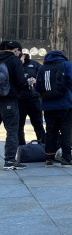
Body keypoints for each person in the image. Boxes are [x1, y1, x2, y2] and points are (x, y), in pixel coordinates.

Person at [35, 50, 72, 167]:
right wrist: (71, 91)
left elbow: (38, 86)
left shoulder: (43, 67)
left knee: (50, 131)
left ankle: (49, 157)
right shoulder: (66, 64)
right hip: (65, 103)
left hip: (48, 105)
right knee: (66, 131)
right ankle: (66, 158)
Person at [0, 40, 28, 170]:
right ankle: (10, 161)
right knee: (11, 131)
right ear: (15, 50)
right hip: (9, 100)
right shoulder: (14, 61)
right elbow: (21, 82)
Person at [18, 52, 46, 145]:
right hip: (20, 99)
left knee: (38, 124)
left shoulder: (35, 64)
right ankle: (21, 146)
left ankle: (43, 145)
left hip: (34, 98)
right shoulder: (15, 65)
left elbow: (43, 76)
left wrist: (36, 80)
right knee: (19, 125)